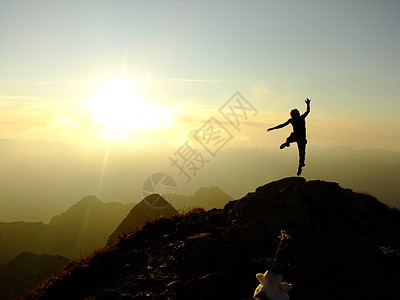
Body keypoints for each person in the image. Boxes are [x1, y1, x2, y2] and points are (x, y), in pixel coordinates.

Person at [267, 98, 311, 176]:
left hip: (298, 137)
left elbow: (282, 125)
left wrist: (273, 128)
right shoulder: (300, 118)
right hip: (300, 138)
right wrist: (308, 104)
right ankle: (300, 166)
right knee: (301, 154)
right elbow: (307, 111)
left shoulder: (294, 119)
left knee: (297, 149)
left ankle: (288, 144)